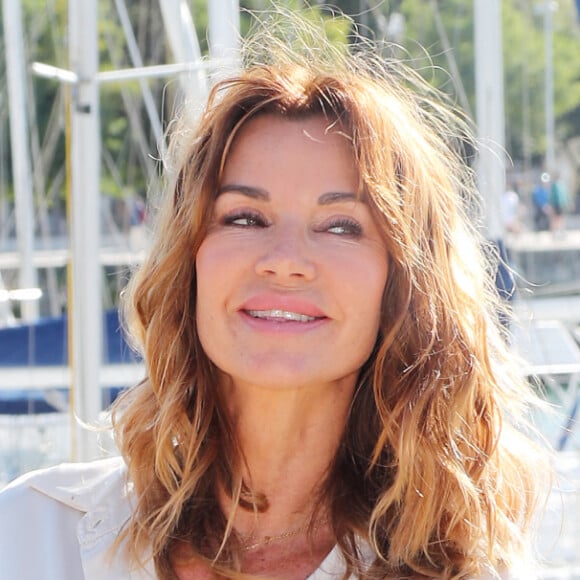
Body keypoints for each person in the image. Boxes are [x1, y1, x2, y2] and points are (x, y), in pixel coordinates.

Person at [0, 10, 549, 580]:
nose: (285, 259)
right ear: (189, 263)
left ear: (404, 284)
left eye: (340, 226)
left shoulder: (467, 570)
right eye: (244, 217)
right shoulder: (30, 536)